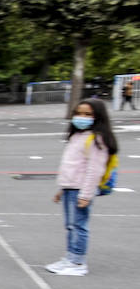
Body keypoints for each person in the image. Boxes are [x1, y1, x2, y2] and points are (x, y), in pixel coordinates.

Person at [46, 98, 118, 276]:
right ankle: (70, 257)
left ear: (98, 117)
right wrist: (62, 189)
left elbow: (95, 170)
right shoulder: (77, 136)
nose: (81, 117)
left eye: (87, 114)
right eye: (78, 113)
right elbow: (73, 167)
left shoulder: (96, 140)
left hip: (81, 190)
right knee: (70, 225)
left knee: (79, 226)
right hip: (71, 187)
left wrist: (86, 194)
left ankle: (78, 262)